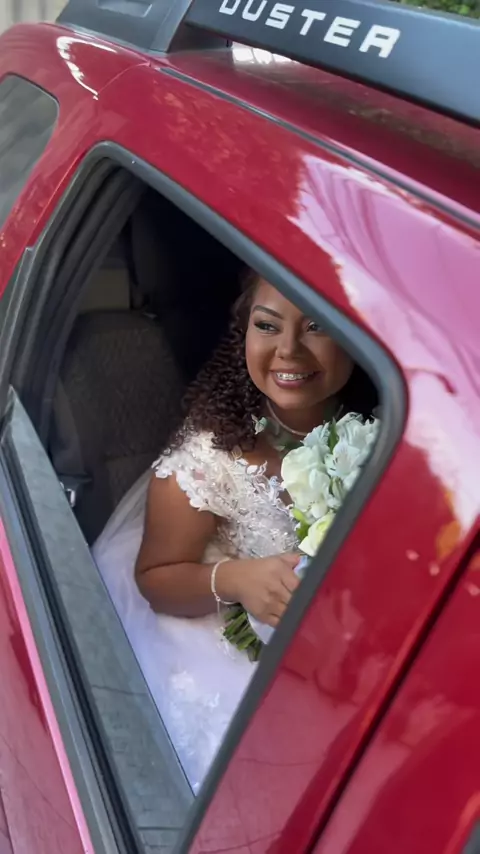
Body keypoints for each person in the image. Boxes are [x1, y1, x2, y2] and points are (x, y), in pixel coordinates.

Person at [93, 272, 377, 793]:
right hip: (246, 644)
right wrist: (238, 580)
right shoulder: (208, 460)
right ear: (243, 331)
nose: (288, 350)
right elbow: (156, 578)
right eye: (267, 326)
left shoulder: (389, 424)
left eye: (317, 326)